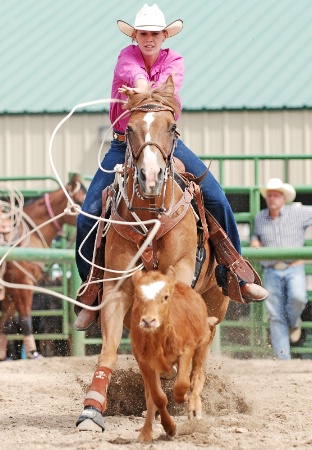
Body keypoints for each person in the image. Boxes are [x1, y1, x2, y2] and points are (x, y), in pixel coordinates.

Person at [74, 4, 268, 330]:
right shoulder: (127, 57)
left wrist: (142, 93)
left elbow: (167, 92)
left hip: (166, 142)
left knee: (217, 199)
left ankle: (234, 270)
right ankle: (93, 290)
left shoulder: (174, 60)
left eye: (155, 33)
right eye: (144, 33)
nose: (149, 38)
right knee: (88, 213)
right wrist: (142, 89)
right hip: (127, 142)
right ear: (136, 36)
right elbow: (137, 77)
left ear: (164, 36)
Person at [251, 178, 312, 360]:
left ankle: (294, 322)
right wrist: (255, 241)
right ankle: (284, 361)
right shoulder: (260, 217)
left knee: (298, 298)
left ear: (284, 198)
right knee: (276, 315)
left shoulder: (298, 213)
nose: (272, 199)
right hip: (271, 270)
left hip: (294, 267)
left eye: (276, 195)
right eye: (269, 195)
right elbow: (257, 236)